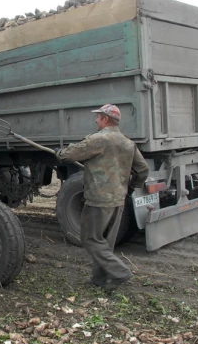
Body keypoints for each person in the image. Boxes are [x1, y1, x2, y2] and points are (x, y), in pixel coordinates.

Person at [58, 104, 149, 292]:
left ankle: (120, 272)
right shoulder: (127, 143)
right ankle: (99, 279)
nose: (96, 120)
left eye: (98, 117)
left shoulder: (97, 140)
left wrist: (59, 153)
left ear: (106, 119)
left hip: (98, 200)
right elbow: (143, 170)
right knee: (105, 243)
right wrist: (131, 187)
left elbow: (69, 155)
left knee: (90, 239)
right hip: (118, 200)